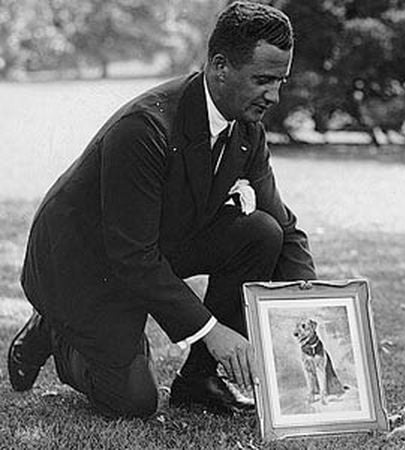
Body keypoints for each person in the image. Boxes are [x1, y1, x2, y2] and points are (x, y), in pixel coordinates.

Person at [7, 1, 315, 418]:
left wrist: (313, 305)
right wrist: (212, 331)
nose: (275, 96)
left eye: (280, 80)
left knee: (262, 233)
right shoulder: (144, 129)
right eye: (263, 80)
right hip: (81, 267)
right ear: (220, 66)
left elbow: (285, 227)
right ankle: (55, 327)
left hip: (147, 247)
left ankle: (200, 382)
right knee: (135, 402)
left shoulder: (247, 130)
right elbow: (131, 257)